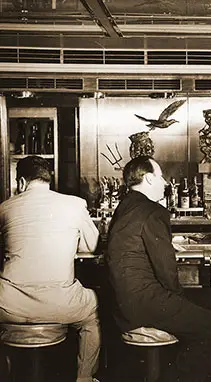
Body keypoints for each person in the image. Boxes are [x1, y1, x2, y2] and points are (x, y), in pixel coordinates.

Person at [106, 156, 211, 382]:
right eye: (160, 176)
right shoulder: (153, 210)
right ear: (149, 179)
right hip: (145, 303)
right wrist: (180, 299)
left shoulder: (126, 205)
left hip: (122, 304)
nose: (165, 182)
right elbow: (166, 269)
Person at [0, 156, 101, 382]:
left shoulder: (5, 207)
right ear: (48, 180)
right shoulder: (75, 204)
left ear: (22, 183)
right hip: (60, 304)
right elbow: (92, 246)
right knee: (92, 313)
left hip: (9, 305)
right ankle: (84, 378)